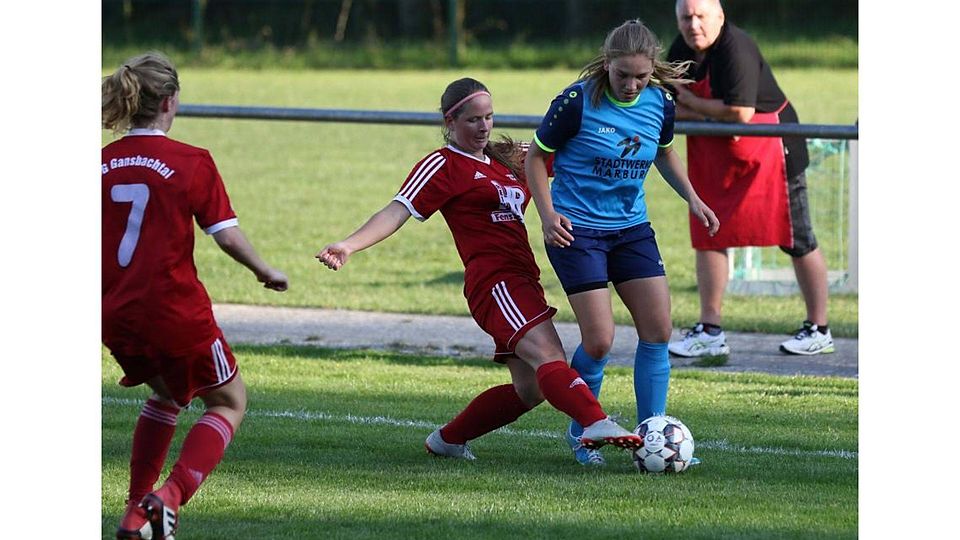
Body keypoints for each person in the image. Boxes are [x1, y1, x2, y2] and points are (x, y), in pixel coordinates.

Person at [317, 77, 644, 463]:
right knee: (548, 356)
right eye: (473, 120)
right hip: (494, 283)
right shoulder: (443, 164)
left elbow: (564, 151)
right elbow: (397, 210)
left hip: (523, 278)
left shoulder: (507, 156)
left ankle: (448, 440)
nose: (484, 127)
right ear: (450, 122)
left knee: (529, 391)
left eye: (489, 117)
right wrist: (349, 244)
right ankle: (595, 420)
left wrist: (614, 113)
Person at [102, 52, 289, 539]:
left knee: (166, 394)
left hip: (116, 312)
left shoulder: (99, 164)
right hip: (174, 309)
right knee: (228, 401)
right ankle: (170, 496)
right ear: (169, 101)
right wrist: (265, 270)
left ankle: (134, 516)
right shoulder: (190, 160)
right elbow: (225, 236)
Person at [525, 19, 719, 466]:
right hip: (578, 233)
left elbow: (665, 151)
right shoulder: (576, 102)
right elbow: (537, 157)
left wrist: (693, 198)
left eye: (641, 76)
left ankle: (654, 436)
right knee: (599, 342)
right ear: (606, 65)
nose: (632, 85)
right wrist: (548, 214)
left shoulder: (660, 102)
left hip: (632, 230)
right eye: (622, 75)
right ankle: (584, 432)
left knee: (658, 331)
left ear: (653, 70)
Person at [666, 0, 834, 357]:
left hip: (774, 149)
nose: (693, 24)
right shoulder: (682, 49)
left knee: (797, 238)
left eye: (701, 16)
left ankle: (819, 329)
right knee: (709, 233)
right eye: (686, 17)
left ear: (719, 16)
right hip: (718, 154)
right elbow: (668, 102)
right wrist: (686, 104)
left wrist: (691, 103)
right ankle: (710, 332)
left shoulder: (736, 47)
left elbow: (740, 112)